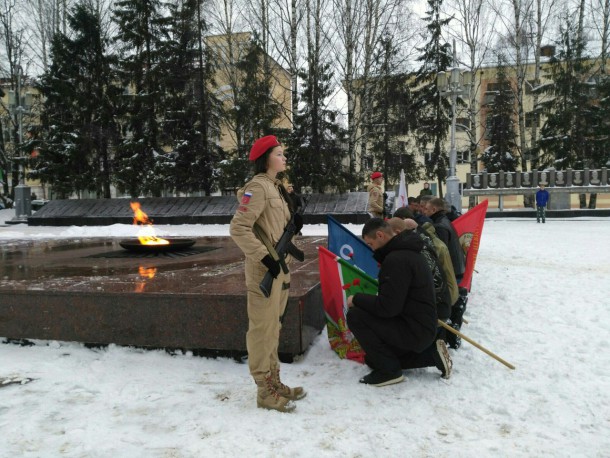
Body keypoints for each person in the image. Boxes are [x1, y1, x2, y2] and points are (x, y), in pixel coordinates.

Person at [229, 135, 306, 413]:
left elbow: (274, 228)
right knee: (262, 330)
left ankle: (275, 381)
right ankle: (264, 390)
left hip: (280, 267)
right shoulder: (258, 188)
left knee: (274, 328)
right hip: (265, 269)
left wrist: (294, 221)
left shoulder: (277, 187)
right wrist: (264, 257)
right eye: (279, 154)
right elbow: (239, 229)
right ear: (266, 158)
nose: (284, 158)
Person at [346, 218, 452, 386]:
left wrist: (357, 299)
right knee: (373, 360)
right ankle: (431, 355)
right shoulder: (408, 251)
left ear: (380, 235)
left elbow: (388, 308)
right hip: (420, 327)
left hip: (414, 330)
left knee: (355, 316)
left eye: (371, 244)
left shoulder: (396, 259)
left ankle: (389, 372)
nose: (371, 248)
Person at [421, 197, 465, 283]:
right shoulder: (444, 220)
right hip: (456, 269)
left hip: (452, 272)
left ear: (433, 209)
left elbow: (441, 252)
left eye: (426, 209)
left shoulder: (440, 226)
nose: (424, 211)